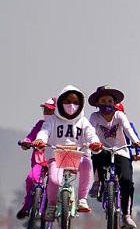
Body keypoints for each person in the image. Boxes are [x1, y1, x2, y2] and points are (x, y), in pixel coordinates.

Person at [31, 86, 102, 220]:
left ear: (80, 105)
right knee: (54, 180)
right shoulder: (52, 120)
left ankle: (82, 199)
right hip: (56, 157)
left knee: (86, 164)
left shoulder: (83, 121)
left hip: (76, 156)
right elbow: (44, 132)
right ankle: (51, 205)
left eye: (75, 102)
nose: (71, 105)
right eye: (67, 101)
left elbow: (91, 134)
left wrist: (95, 143)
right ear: (60, 102)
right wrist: (40, 140)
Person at [88, 85, 140, 229]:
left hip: (121, 152)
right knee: (96, 153)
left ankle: (126, 214)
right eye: (103, 101)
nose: (106, 104)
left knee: (127, 181)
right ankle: (98, 182)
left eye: (109, 101)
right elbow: (90, 130)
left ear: (114, 103)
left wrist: (136, 144)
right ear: (97, 103)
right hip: (103, 150)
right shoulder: (94, 117)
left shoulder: (120, 116)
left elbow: (129, 130)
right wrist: (93, 142)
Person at [16, 98, 55, 219]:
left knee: (53, 183)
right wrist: (26, 142)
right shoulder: (40, 124)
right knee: (30, 178)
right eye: (46, 110)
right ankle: (27, 205)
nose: (47, 113)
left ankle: (50, 207)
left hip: (54, 160)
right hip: (39, 159)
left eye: (51, 111)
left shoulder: (60, 126)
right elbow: (31, 136)